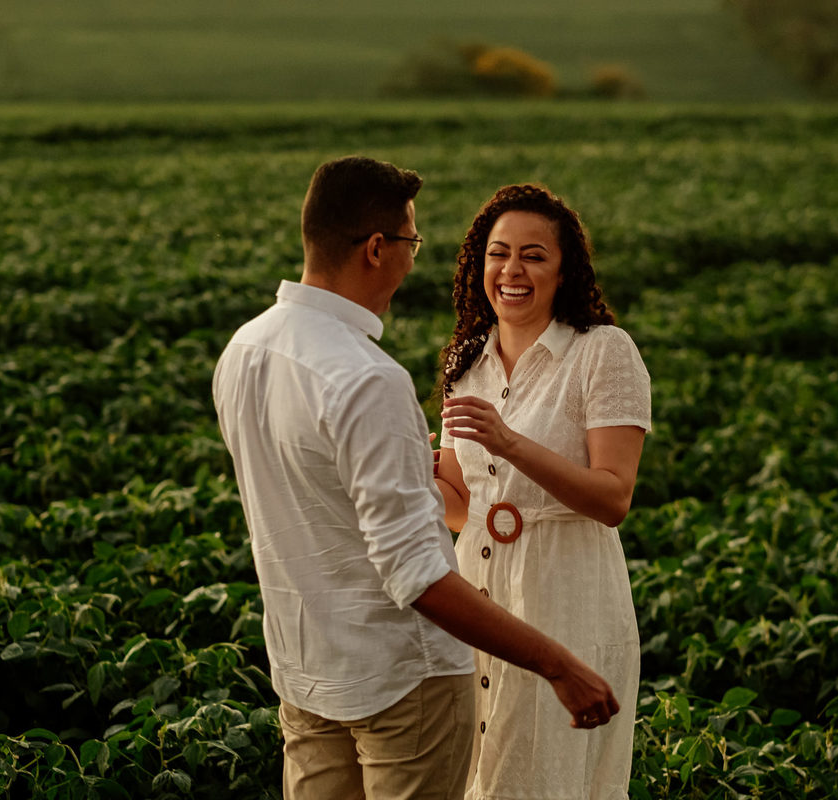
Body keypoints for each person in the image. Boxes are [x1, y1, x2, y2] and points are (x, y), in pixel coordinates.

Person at [212, 157, 621, 800]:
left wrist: (413, 480)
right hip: (403, 680)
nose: (413, 259)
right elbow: (418, 574)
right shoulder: (369, 378)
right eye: (411, 241)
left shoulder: (246, 348)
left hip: (305, 670)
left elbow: (310, 500)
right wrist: (557, 663)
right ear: (377, 249)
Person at [434, 184, 651, 800]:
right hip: (475, 595)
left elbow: (613, 498)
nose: (512, 270)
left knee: (547, 777)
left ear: (563, 271)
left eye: (533, 256)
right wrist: (408, 473)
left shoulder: (602, 352)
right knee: (472, 776)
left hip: (566, 594)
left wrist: (509, 443)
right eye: (498, 254)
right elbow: (463, 507)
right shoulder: (465, 361)